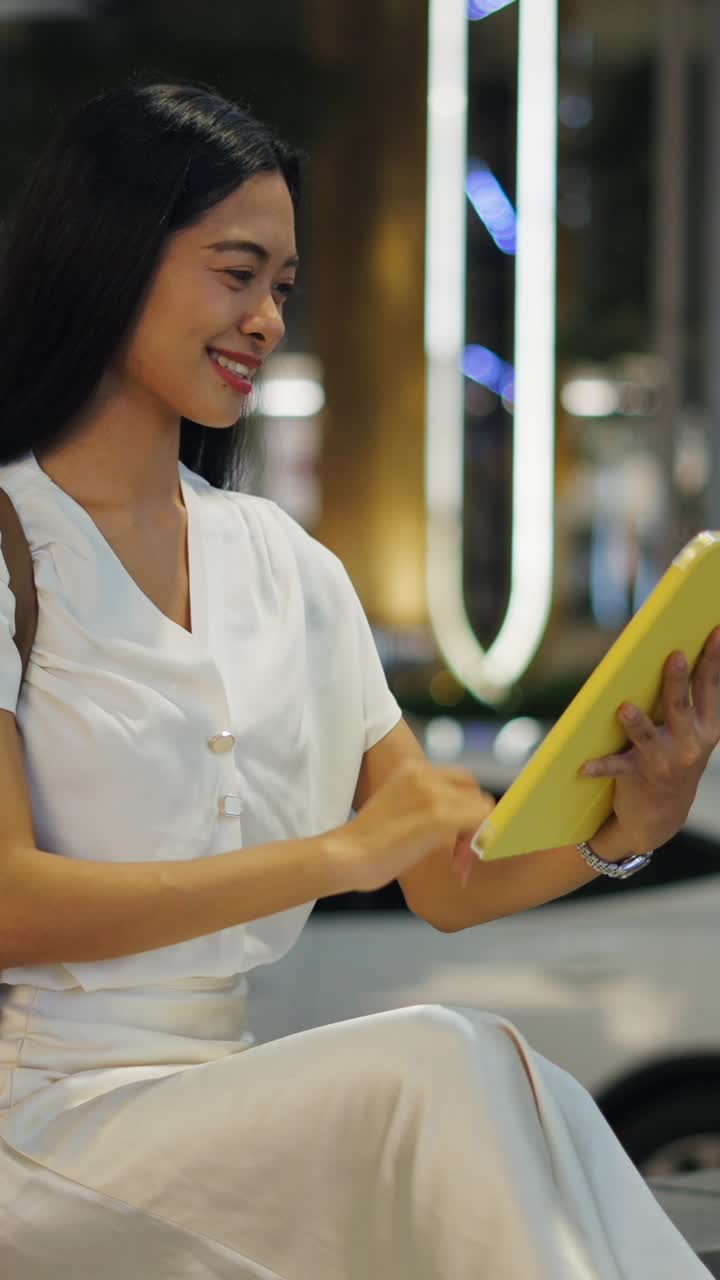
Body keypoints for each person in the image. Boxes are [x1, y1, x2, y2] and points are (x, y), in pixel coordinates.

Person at [0, 79, 716, 1280]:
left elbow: (446, 877)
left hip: (233, 1102)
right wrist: (335, 854)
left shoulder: (289, 569)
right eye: (237, 273)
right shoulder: (11, 541)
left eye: (282, 285)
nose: (269, 319)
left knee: (513, 1080)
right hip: (48, 1129)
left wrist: (627, 830)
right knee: (437, 1061)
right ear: (112, 253)